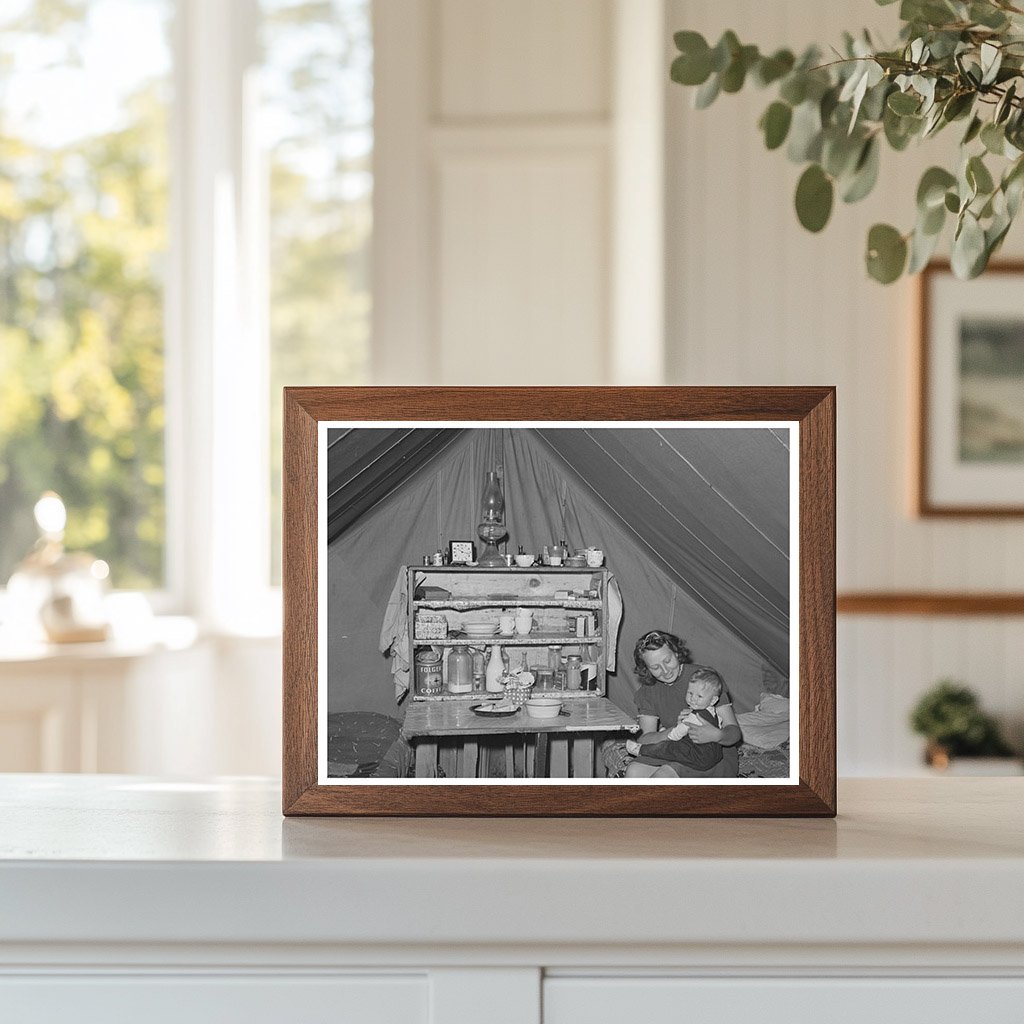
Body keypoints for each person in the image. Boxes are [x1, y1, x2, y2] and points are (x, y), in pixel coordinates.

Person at [624, 630, 741, 779]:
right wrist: (674, 730)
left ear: (676, 653)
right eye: (655, 667)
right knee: (633, 772)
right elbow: (644, 738)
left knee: (663, 776)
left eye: (667, 661)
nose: (665, 671)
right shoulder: (648, 691)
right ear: (646, 669)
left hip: (711, 755)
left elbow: (734, 732)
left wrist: (717, 735)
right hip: (678, 749)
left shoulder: (704, 678)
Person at [624, 667, 725, 772]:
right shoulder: (713, 713)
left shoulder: (695, 716)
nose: (693, 699)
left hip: (698, 755)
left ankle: (640, 750)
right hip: (714, 757)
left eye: (699, 696)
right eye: (690, 693)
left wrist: (670, 737)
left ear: (713, 700)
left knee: (668, 748)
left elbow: (678, 733)